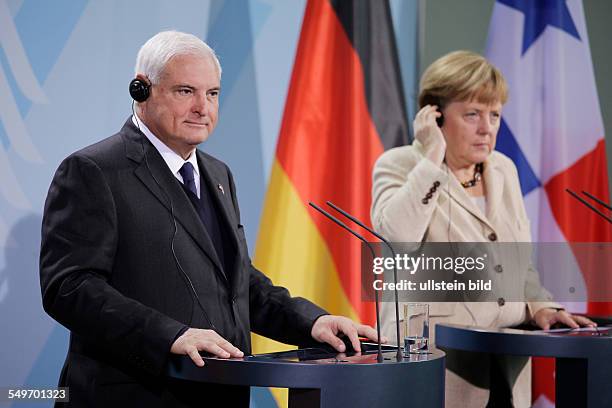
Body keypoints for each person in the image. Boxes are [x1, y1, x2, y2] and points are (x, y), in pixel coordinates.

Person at [39, 30, 381, 407]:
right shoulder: (93, 170)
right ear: (142, 90)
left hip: (219, 394)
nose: (204, 107)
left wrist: (311, 322)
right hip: (134, 394)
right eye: (186, 91)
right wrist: (170, 335)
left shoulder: (218, 175)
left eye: (213, 93)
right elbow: (69, 287)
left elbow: (237, 285)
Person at [370, 50, 594, 407]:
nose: (487, 128)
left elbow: (520, 261)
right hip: (439, 364)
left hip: (508, 362)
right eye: (472, 114)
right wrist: (431, 158)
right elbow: (399, 238)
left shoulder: (503, 169)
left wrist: (539, 305)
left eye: (494, 115)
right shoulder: (400, 166)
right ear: (435, 115)